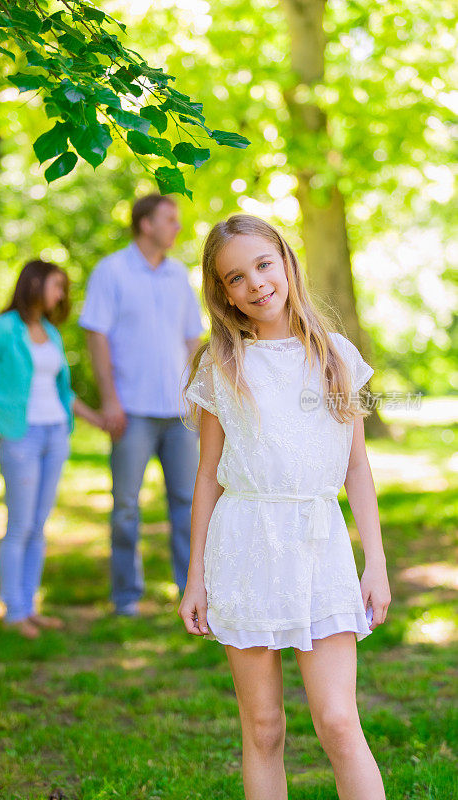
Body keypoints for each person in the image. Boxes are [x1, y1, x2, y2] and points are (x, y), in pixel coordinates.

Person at [179, 214, 391, 800]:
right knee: (264, 727)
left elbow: (356, 467)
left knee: (339, 722)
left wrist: (374, 561)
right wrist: (195, 576)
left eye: (263, 264)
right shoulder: (222, 365)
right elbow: (207, 477)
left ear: (286, 261)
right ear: (223, 292)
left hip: (319, 544)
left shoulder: (335, 354)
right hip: (244, 545)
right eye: (236, 277)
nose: (256, 284)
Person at [0, 260, 103, 639]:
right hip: (21, 436)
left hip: (55, 433)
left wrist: (96, 418)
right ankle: (13, 611)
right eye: (57, 286)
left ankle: (29, 607)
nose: (61, 295)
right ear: (36, 284)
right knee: (20, 525)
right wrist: (1, 410)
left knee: (38, 526)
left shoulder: (50, 333)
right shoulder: (3, 328)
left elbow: (62, 391)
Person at [79, 193, 204, 616]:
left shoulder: (179, 275)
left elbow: (192, 338)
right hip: (130, 411)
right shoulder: (110, 271)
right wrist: (110, 400)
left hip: (180, 413)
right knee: (127, 508)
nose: (178, 227)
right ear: (146, 224)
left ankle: (193, 593)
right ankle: (126, 597)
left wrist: (198, 396)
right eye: (170, 219)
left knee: (189, 504)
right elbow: (96, 336)